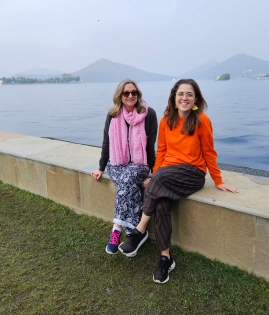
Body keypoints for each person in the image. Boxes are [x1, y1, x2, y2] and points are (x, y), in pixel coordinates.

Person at [119, 79, 238, 283]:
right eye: (180, 94)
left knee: (159, 180)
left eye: (189, 94)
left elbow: (209, 152)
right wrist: (155, 175)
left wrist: (218, 180)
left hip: (192, 174)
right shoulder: (166, 120)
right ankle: (166, 258)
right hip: (168, 173)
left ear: (195, 99)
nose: (184, 98)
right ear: (174, 98)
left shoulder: (202, 121)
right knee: (162, 201)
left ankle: (139, 231)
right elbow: (162, 151)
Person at [91, 79, 157, 255]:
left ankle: (117, 228)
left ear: (138, 94)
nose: (130, 96)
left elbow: (150, 148)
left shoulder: (148, 114)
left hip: (139, 165)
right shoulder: (113, 114)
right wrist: (101, 167)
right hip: (117, 164)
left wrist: (154, 174)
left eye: (133, 92)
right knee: (127, 183)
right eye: (126, 93)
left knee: (127, 179)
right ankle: (133, 231)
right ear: (120, 95)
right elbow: (107, 143)